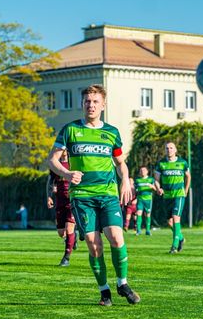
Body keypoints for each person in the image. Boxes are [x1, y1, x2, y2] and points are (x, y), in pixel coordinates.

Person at [48, 84, 140, 306]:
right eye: (87, 101)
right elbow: (52, 159)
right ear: (82, 104)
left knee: (116, 237)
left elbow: (120, 163)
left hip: (107, 194)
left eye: (95, 101)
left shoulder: (111, 132)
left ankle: (122, 283)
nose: (91, 105)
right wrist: (67, 173)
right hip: (82, 196)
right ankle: (104, 291)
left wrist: (125, 181)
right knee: (93, 242)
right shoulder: (70, 130)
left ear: (103, 105)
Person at [154, 142, 191, 254]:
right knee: (169, 222)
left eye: (171, 148)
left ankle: (174, 246)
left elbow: (188, 176)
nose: (169, 150)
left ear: (175, 150)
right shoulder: (161, 164)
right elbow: (156, 179)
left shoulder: (182, 163)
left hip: (179, 194)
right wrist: (158, 188)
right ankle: (181, 238)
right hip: (167, 196)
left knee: (175, 218)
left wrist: (186, 190)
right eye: (167, 148)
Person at [47, 149, 77, 267]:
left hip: (72, 200)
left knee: (69, 227)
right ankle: (73, 237)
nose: (63, 150)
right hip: (60, 201)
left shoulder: (74, 163)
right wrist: (49, 196)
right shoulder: (56, 165)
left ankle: (66, 258)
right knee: (61, 232)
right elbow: (50, 182)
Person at [134, 166, 156, 236]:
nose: (142, 172)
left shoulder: (151, 180)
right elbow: (134, 190)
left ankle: (148, 230)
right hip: (140, 199)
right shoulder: (137, 180)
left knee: (147, 214)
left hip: (148, 199)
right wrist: (133, 198)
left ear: (147, 171)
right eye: (141, 170)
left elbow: (155, 189)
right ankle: (138, 230)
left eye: (144, 170)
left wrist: (152, 187)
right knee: (138, 213)